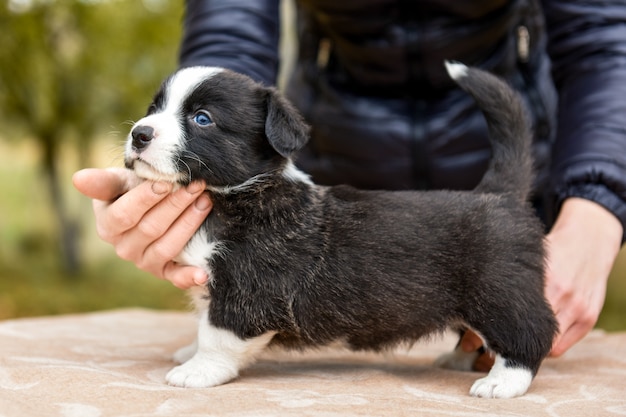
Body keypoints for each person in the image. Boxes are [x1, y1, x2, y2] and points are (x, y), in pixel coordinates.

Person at [73, 0, 625, 371]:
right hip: (335, 165)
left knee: (485, 287)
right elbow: (232, 20)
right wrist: (205, 122)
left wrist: (598, 204)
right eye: (157, 109)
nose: (147, 125)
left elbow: (607, 36)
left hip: (500, 197)